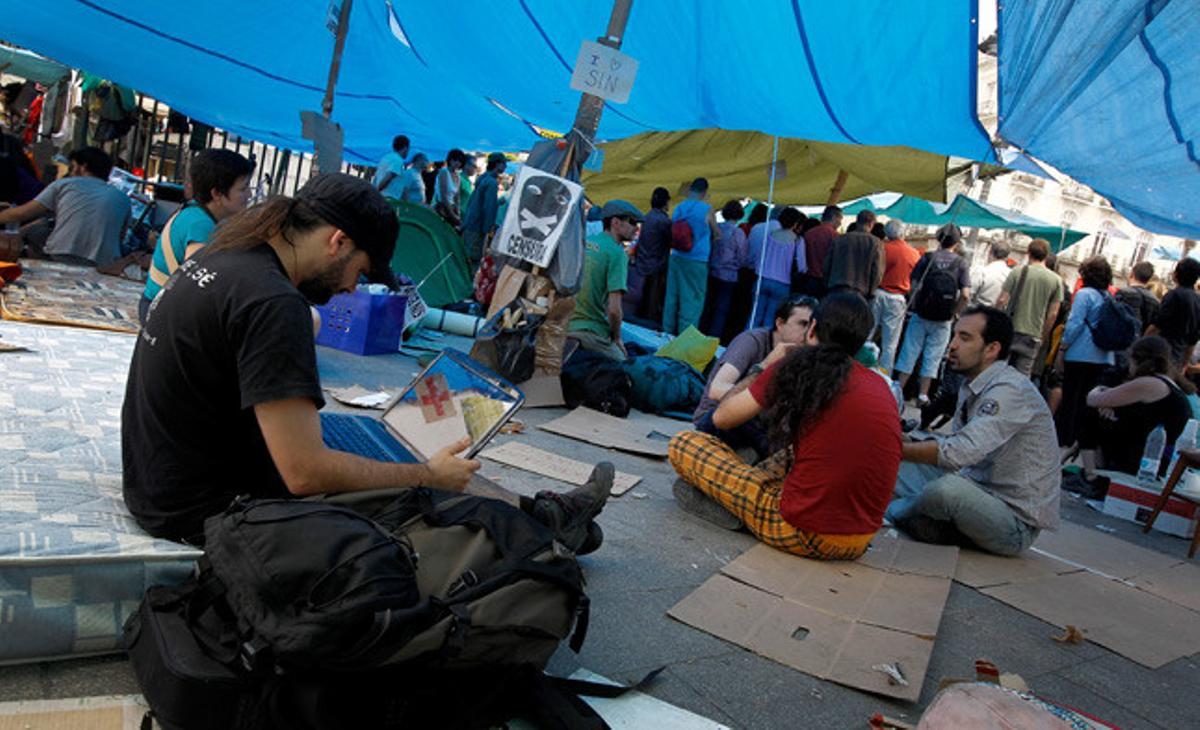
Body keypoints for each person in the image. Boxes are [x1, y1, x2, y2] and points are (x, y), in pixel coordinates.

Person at [122, 173, 612, 552]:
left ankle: (542, 514)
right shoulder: (272, 303)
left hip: (167, 479)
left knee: (397, 451)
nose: (352, 290)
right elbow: (305, 475)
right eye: (360, 272)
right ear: (338, 241)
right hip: (203, 507)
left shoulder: (230, 257)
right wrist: (424, 477)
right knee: (421, 475)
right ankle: (543, 528)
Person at [669, 292, 900, 559]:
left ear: (812, 329)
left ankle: (734, 505)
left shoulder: (797, 365)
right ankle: (735, 496)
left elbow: (721, 418)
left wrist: (765, 366)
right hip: (859, 541)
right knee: (785, 453)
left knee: (683, 443)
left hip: (803, 531)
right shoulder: (880, 385)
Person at [889, 306, 1060, 556]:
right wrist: (902, 442)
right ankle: (923, 517)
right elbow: (956, 449)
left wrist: (897, 448)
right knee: (894, 464)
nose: (952, 345)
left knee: (945, 491)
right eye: (955, 335)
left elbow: (958, 454)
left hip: (1012, 522)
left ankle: (894, 512)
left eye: (965, 338)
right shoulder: (973, 384)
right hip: (974, 486)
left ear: (992, 349)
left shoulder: (1010, 391)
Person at [139, 149, 255, 323]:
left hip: (155, 306)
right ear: (217, 194)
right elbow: (197, 283)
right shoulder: (200, 225)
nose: (249, 195)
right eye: (243, 189)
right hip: (161, 315)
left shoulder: (195, 212)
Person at [692, 297, 815, 460]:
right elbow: (716, 389)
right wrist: (765, 365)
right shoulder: (752, 341)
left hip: (758, 426)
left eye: (812, 326)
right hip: (718, 420)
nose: (808, 333)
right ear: (780, 323)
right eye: (802, 324)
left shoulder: (801, 355)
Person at [1069, 336, 1190, 496]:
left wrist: (1101, 390)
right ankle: (1098, 473)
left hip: (1148, 460)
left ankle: (1092, 478)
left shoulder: (1149, 383)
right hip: (1162, 457)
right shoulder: (1169, 384)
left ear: (1136, 359)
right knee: (1105, 413)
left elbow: (1093, 399)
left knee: (1090, 414)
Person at [0, 146, 130, 267]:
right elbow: (120, 237)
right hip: (103, 261)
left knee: (34, 236)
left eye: (72, 167)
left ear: (82, 167)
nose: (71, 172)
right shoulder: (123, 198)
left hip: (61, 254)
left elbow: (22, 213)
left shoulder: (65, 185)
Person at [895, 224, 971, 406]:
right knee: (934, 356)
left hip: (921, 314)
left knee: (909, 351)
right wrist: (955, 312)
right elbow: (966, 295)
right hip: (944, 318)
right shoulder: (961, 263)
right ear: (957, 242)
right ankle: (923, 395)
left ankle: (897, 390)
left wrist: (914, 304)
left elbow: (914, 285)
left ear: (938, 238)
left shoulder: (927, 258)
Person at [1054, 256, 1117, 451]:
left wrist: (1063, 349)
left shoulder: (1085, 294)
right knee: (1087, 400)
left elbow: (1075, 324)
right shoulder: (1108, 296)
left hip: (1080, 352)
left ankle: (1064, 437)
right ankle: (1078, 440)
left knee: (1071, 397)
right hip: (1102, 355)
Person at [566, 200, 642, 361]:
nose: (636, 228)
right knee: (627, 367)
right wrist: (616, 339)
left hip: (566, 323)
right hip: (590, 330)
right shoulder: (617, 253)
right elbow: (614, 310)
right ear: (615, 222)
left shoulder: (588, 242)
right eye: (632, 222)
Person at [994, 238, 1063, 377]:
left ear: (1028, 252)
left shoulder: (1017, 271)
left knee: (997, 374)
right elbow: (1053, 314)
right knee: (1021, 379)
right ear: (1047, 255)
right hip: (1033, 336)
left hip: (1011, 330)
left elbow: (1001, 300)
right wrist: (1043, 335)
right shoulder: (1056, 280)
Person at [663, 177, 721, 335]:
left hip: (676, 256)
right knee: (692, 301)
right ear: (704, 192)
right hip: (697, 260)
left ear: (691, 190)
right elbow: (716, 233)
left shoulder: (679, 207)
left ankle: (667, 332)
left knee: (672, 296)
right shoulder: (707, 210)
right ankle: (685, 337)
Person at [874, 219, 920, 373]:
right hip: (898, 298)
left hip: (877, 293)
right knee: (890, 343)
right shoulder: (913, 253)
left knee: (867, 334)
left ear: (887, 233)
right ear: (903, 232)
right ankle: (884, 376)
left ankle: (859, 367)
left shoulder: (881, 248)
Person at [751, 207, 805, 329]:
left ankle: (746, 341)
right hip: (782, 283)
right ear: (796, 223)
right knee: (770, 320)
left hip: (762, 279)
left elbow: (760, 255)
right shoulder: (798, 241)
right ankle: (764, 345)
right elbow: (802, 267)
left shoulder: (770, 235)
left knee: (754, 316)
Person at [702, 200, 748, 339]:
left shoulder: (717, 227)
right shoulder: (738, 233)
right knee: (721, 311)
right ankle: (713, 339)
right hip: (729, 275)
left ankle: (700, 333)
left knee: (707, 306)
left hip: (712, 271)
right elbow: (742, 256)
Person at [1145, 258, 1200, 368]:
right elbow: (1193, 338)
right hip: (1178, 358)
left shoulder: (1174, 295)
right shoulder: (1197, 300)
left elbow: (1157, 325)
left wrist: (1142, 342)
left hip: (1160, 354)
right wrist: (1184, 364)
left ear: (1176, 274)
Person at [632, 187, 672, 325]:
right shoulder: (664, 221)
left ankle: (640, 317)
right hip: (657, 262)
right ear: (665, 202)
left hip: (643, 259)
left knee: (643, 294)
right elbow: (670, 240)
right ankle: (650, 322)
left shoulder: (647, 216)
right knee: (653, 297)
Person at [824, 209, 884, 299]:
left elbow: (827, 265)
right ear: (871, 224)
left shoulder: (839, 239)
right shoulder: (876, 243)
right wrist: (871, 292)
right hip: (860, 292)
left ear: (857, 222)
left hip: (836, 289)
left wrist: (827, 285)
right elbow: (877, 271)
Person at [462, 152, 506, 271]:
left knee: (464, 255)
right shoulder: (492, 183)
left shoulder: (482, 177)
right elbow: (488, 208)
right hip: (478, 226)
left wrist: (497, 203)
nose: (505, 167)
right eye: (504, 163)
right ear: (497, 164)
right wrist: (488, 229)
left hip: (470, 222)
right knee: (473, 260)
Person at [797, 205, 841, 298]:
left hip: (808, 280)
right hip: (826, 282)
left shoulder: (808, 234)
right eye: (840, 219)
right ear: (834, 217)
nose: (840, 223)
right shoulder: (836, 236)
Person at [1116, 261, 1160, 334]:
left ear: (1132, 274)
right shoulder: (1155, 301)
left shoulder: (1124, 293)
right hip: (1140, 341)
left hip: (1120, 339)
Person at [432, 148, 466, 228]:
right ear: (450, 160)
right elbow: (444, 197)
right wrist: (453, 216)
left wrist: (457, 213)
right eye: (455, 160)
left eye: (460, 161)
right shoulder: (444, 172)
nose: (457, 163)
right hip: (442, 208)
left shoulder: (458, 176)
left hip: (452, 208)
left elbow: (457, 198)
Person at [970, 241, 1011, 307]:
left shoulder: (982, 271)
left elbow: (968, 294)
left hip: (978, 311)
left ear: (990, 252)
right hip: (999, 313)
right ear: (1007, 257)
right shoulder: (1010, 274)